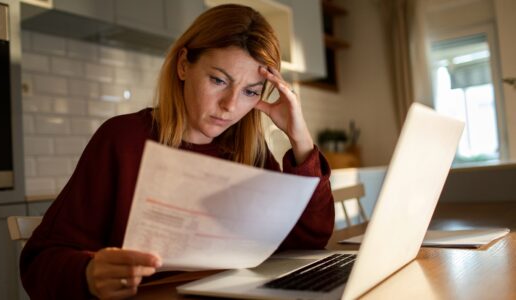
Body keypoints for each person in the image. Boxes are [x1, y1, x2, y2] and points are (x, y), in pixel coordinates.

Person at [20, 4, 335, 299]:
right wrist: (88, 273)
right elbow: (38, 263)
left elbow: (305, 245)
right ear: (184, 65)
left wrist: (299, 137)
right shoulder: (123, 140)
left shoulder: (250, 151)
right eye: (218, 80)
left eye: (250, 92)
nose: (230, 105)